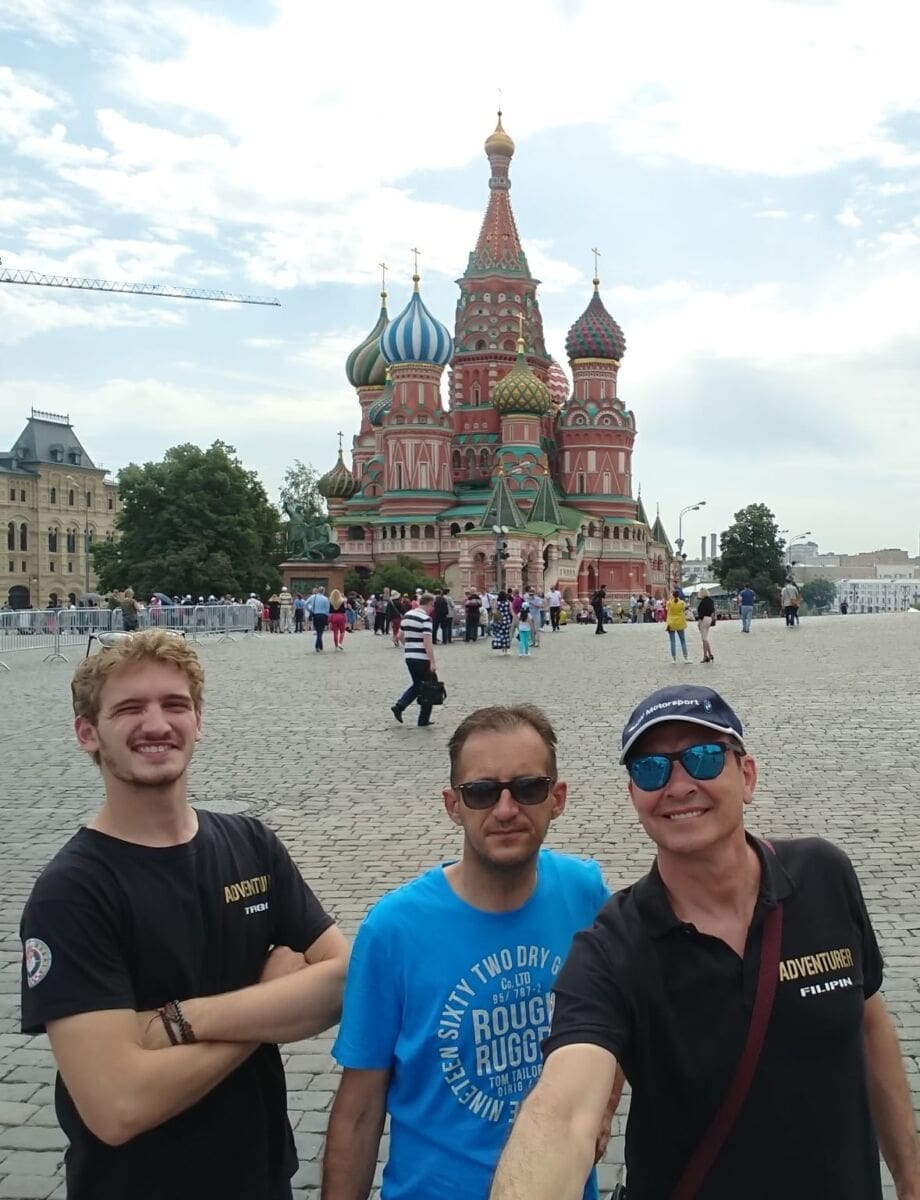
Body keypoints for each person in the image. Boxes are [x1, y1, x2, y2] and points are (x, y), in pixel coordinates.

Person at [491, 684, 920, 1200]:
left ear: (747, 775)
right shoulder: (613, 947)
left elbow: (867, 1022)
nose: (678, 785)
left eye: (703, 758)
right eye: (651, 769)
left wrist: (911, 1177)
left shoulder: (824, 874)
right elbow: (562, 1111)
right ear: (634, 796)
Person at [20, 630, 348, 1200]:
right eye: (129, 709)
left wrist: (177, 1022)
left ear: (198, 721)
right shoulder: (71, 893)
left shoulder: (251, 844)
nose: (156, 724)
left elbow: (343, 981)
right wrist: (265, 1007)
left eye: (174, 704)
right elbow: (118, 1105)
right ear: (87, 733)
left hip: (264, 1178)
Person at [323, 705, 616, 1200]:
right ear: (453, 804)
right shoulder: (394, 930)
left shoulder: (585, 894)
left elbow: (620, 1017)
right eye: (481, 792)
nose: (505, 810)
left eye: (528, 788)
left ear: (557, 798)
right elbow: (360, 1109)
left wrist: (603, 1108)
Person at [391, 592, 438, 728]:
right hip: (422, 657)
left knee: (419, 684)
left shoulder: (407, 615)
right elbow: (427, 642)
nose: (433, 608)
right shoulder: (425, 619)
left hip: (409, 656)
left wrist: (409, 645)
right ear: (429, 604)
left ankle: (402, 707)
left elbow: (399, 636)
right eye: (433, 605)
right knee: (429, 686)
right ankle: (417, 715)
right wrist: (432, 661)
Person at [665, 588, 689, 663]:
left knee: (672, 641)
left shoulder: (669, 603)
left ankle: (674, 659)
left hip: (671, 623)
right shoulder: (682, 603)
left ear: (672, 595)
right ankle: (685, 658)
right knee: (683, 640)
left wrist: (670, 599)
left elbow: (667, 609)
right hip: (680, 623)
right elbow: (684, 610)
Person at [306, 586, 330, 651]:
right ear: (323, 591)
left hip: (315, 615)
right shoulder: (325, 599)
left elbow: (305, 603)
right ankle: (318, 645)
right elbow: (327, 609)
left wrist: (310, 610)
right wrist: (327, 617)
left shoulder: (313, 597)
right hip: (323, 615)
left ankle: (319, 645)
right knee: (320, 630)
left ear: (318, 591)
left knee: (318, 630)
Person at [696, 586, 716, 663]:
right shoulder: (711, 601)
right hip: (709, 619)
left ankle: (705, 656)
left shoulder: (702, 602)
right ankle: (710, 654)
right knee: (705, 637)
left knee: (704, 639)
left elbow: (701, 613)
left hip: (703, 619)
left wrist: (699, 622)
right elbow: (712, 610)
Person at [491, 589, 513, 655]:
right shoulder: (508, 602)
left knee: (500, 634)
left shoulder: (497, 603)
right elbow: (511, 611)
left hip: (499, 620)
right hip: (507, 620)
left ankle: (502, 650)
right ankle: (507, 650)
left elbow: (494, 611)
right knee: (507, 635)